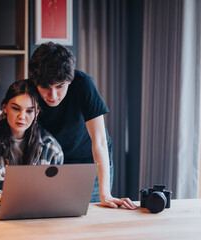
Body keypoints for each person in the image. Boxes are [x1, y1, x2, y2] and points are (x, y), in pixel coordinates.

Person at [29, 42, 136, 210]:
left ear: (70, 81)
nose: (53, 96)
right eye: (45, 88)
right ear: (35, 81)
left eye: (60, 86)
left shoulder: (84, 84)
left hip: (90, 160)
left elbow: (99, 141)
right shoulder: (28, 89)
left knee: (91, 214)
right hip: (53, 160)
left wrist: (105, 193)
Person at [0, 79, 64, 207]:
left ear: (36, 113)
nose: (22, 116)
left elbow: (55, 196)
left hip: (36, 220)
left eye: (29, 111)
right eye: (16, 109)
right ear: (5, 108)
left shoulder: (52, 148)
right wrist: (1, 197)